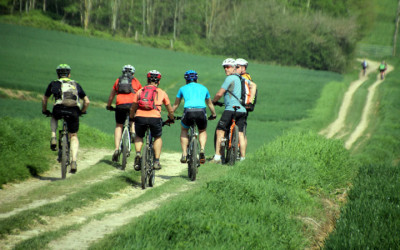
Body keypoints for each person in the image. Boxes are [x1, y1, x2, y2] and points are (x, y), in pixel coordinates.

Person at [42, 64, 90, 173]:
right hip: (73, 110)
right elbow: (87, 101)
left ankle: (53, 136)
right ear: (69, 74)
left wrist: (45, 110)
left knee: (54, 117)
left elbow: (44, 100)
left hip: (58, 108)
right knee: (73, 135)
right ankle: (73, 161)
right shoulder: (76, 84)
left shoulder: (54, 83)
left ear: (58, 74)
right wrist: (82, 111)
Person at [129, 70, 174, 171]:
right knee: (157, 137)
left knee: (139, 136)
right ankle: (156, 161)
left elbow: (133, 108)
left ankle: (138, 154)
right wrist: (171, 118)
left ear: (147, 80)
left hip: (140, 117)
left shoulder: (140, 91)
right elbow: (170, 109)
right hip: (155, 118)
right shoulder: (161, 92)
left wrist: (132, 117)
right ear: (158, 81)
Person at [172, 70, 217, 164]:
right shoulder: (204, 88)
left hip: (188, 111)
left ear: (186, 79)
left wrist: (170, 114)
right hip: (201, 111)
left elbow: (176, 105)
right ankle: (202, 150)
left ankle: (184, 154)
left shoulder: (182, 88)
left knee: (184, 130)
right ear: (196, 78)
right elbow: (210, 104)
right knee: (202, 130)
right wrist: (213, 114)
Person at [211, 58, 247, 164]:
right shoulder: (242, 79)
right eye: (224, 67)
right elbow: (253, 86)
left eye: (228, 67)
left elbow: (219, 93)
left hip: (230, 109)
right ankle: (243, 159)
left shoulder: (230, 78)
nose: (226, 69)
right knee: (240, 133)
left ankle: (217, 157)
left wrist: (213, 101)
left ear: (234, 68)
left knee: (220, 130)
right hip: (242, 110)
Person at [106, 65, 142, 162]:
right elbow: (141, 95)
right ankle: (133, 132)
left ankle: (117, 149)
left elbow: (111, 95)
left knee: (119, 125)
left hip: (120, 105)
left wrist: (109, 106)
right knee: (132, 119)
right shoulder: (136, 81)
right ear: (133, 73)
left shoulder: (118, 81)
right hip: (132, 105)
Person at [235, 58, 257, 160]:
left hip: (243, 106)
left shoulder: (244, 77)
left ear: (243, 68)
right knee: (242, 130)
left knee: (241, 130)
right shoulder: (247, 77)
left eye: (238, 66)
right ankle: (241, 153)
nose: (235, 68)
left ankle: (240, 153)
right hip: (246, 106)